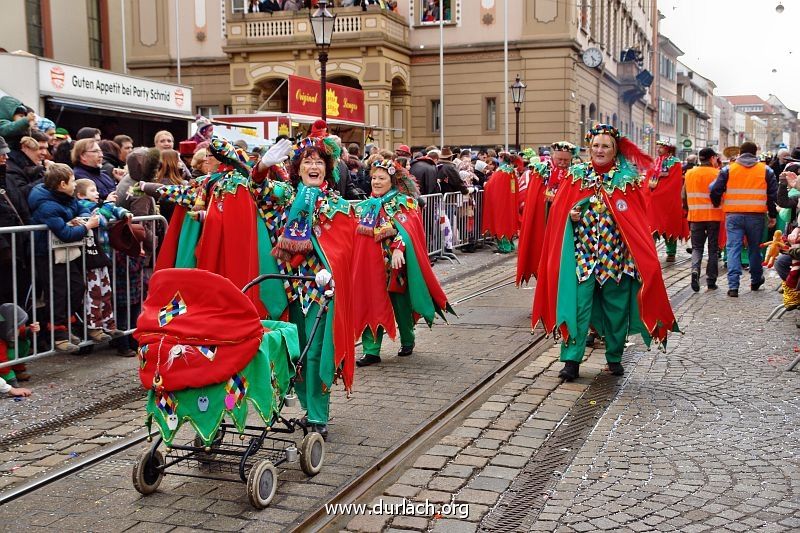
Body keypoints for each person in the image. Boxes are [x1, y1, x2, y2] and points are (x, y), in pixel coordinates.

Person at [532, 123, 678, 381]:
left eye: (605, 146)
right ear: (590, 148)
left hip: (616, 259)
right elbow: (558, 214)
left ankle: (614, 357)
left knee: (616, 310)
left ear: (614, 150)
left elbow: (636, 219)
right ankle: (571, 360)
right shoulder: (575, 175)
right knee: (578, 308)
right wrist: (571, 216)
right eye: (596, 145)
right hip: (582, 257)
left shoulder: (627, 180)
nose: (600, 150)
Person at [256, 136, 356, 440]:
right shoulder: (286, 196)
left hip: (319, 289)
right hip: (288, 287)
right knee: (295, 352)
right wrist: (262, 166)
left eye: (319, 162)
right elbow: (258, 191)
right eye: (308, 162)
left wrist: (331, 269)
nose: (313, 166)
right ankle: (306, 403)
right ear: (298, 169)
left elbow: (343, 246)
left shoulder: (336, 204)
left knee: (315, 352)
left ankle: (317, 415)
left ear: (327, 169)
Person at [353, 157, 452, 367]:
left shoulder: (404, 202)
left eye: (381, 178)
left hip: (397, 268)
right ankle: (371, 350)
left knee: (401, 305)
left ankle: (408, 339)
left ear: (392, 181)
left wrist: (399, 247)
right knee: (372, 304)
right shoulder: (365, 206)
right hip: (372, 268)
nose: (376, 182)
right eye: (373, 178)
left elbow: (409, 230)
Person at [28, 163, 99, 353]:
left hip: (66, 252)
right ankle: (57, 334)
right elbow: (65, 234)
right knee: (58, 293)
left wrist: (82, 219)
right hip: (48, 253)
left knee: (77, 286)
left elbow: (81, 208)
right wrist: (86, 226)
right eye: (72, 181)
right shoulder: (47, 205)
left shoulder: (66, 197)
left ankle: (67, 325)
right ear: (62, 184)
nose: (75, 184)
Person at [710, 141, 778, 297]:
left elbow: (714, 189)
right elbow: (772, 196)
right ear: (755, 153)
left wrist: (716, 202)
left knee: (733, 248)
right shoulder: (765, 170)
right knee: (755, 249)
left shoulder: (729, 169)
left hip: (733, 215)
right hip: (756, 216)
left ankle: (733, 286)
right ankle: (755, 280)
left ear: (740, 152)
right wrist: (772, 215)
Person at [75, 179, 129, 344]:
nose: (97, 193)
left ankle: (108, 324)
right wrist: (107, 205)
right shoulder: (83, 206)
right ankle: (95, 327)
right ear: (81, 195)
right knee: (94, 294)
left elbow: (112, 211)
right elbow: (102, 220)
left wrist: (123, 213)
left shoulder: (98, 205)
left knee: (106, 291)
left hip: (102, 256)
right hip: (90, 258)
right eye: (92, 190)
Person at [517, 141, 576, 285]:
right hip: (544, 223)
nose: (562, 163)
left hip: (566, 225)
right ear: (552, 157)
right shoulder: (541, 173)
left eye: (566, 160)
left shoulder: (576, 173)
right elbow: (532, 200)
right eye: (559, 159)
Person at [683, 147, 723, 292]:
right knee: (713, 248)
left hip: (695, 216)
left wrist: (687, 210)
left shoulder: (690, 174)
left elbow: (684, 196)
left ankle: (695, 271)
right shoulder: (718, 174)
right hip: (714, 216)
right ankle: (711, 281)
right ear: (712, 158)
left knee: (697, 248)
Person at [647, 140, 688, 262]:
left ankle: (671, 252)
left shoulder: (674, 163)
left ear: (668, 149)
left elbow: (674, 183)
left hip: (668, 200)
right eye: (657, 147)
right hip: (654, 200)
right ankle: (650, 250)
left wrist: (659, 192)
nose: (658, 149)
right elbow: (649, 177)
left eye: (661, 147)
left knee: (670, 225)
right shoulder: (655, 161)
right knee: (652, 225)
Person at [482, 152, 521, 253]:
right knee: (509, 221)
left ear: (502, 158)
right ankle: (510, 244)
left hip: (501, 202)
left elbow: (491, 185)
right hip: (510, 201)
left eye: (499, 157)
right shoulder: (511, 171)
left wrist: (486, 185)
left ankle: (504, 246)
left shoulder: (501, 171)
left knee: (501, 222)